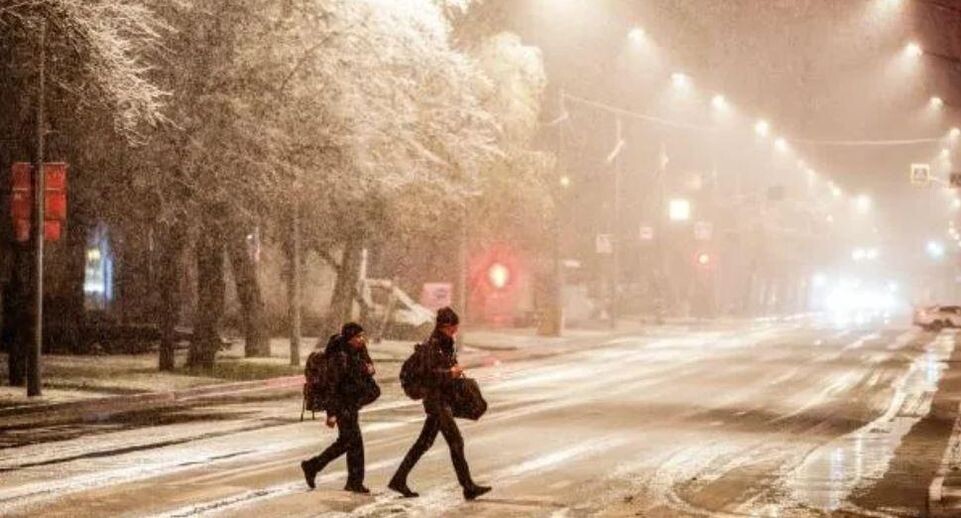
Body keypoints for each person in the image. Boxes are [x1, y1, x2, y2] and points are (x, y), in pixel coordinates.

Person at [388, 307, 491, 501]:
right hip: (436, 400)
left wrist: (453, 371)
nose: (456, 330)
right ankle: (468, 486)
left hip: (442, 398)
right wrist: (449, 374)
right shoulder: (432, 346)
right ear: (445, 326)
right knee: (456, 441)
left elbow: (441, 369)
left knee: (423, 443)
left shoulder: (446, 344)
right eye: (453, 326)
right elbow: (428, 376)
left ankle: (399, 479)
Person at [301, 322, 377, 493]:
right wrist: (332, 413)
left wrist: (369, 369)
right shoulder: (339, 356)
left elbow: (367, 368)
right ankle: (349, 479)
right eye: (358, 336)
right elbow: (332, 386)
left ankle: (315, 467)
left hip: (352, 401)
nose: (361, 339)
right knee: (352, 442)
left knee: (347, 442)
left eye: (362, 335)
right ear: (349, 339)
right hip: (342, 403)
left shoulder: (359, 350)